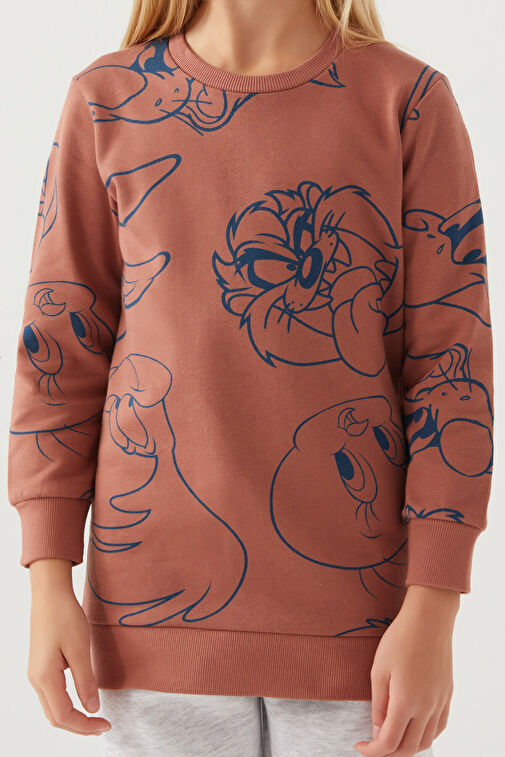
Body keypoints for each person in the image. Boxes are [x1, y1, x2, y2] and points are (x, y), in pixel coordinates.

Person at [7, 1, 494, 755]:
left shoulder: (406, 99)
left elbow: (449, 371)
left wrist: (435, 606)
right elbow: (60, 351)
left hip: (365, 635)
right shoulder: (106, 99)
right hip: (150, 621)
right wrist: (47, 581)